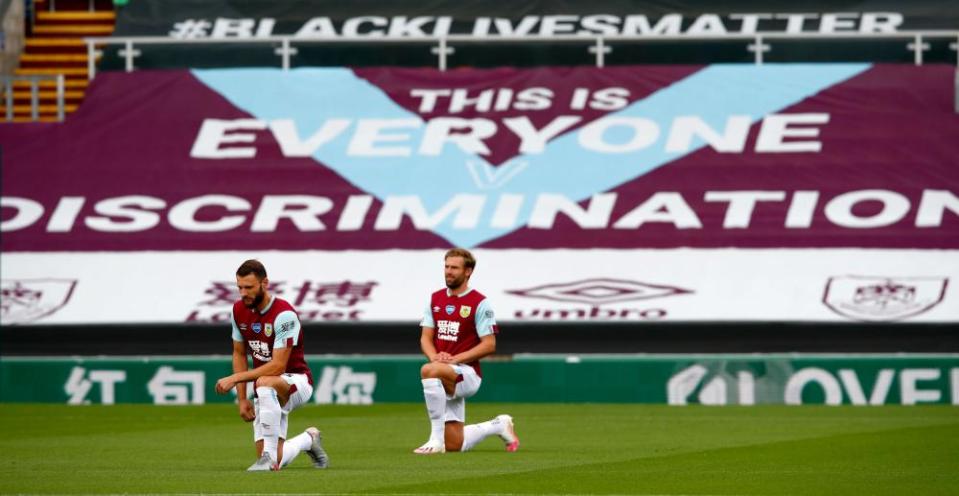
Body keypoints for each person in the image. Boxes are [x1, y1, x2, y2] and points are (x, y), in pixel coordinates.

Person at [214, 259, 329, 471]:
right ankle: (308, 439)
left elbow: (277, 366)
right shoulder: (238, 311)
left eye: (249, 287)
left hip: (296, 382)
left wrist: (233, 379)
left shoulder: (284, 314)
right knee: (277, 457)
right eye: (239, 287)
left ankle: (267, 458)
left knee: (265, 382)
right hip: (264, 388)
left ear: (264, 283)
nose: (243, 293)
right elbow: (239, 354)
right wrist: (242, 399)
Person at [414, 248, 520, 454]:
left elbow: (489, 345)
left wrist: (453, 359)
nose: (448, 272)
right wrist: (435, 356)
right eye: (446, 267)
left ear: (468, 271)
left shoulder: (480, 303)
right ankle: (498, 425)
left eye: (454, 268)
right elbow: (425, 337)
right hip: (444, 372)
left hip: (467, 374)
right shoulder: (435, 299)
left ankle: (435, 439)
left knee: (428, 370)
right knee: (454, 445)